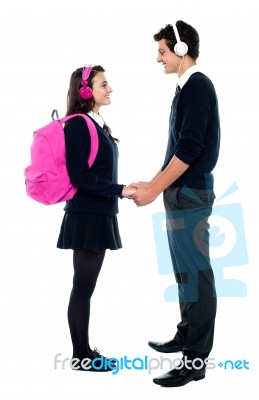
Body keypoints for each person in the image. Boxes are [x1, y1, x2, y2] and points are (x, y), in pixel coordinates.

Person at [131, 20, 220, 387]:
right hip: (179, 194)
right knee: (184, 273)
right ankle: (187, 334)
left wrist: (154, 191)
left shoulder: (198, 86)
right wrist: (152, 184)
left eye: (162, 51)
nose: (158, 58)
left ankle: (195, 361)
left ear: (181, 50)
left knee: (196, 276)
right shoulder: (185, 90)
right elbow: (175, 152)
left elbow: (189, 150)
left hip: (191, 194)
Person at [57, 64, 135, 372]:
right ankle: (81, 355)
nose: (110, 88)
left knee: (85, 286)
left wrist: (122, 190)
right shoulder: (78, 124)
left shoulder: (96, 123)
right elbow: (80, 177)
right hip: (88, 215)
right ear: (86, 91)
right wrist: (121, 190)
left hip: (99, 213)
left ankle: (83, 352)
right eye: (104, 84)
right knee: (83, 287)